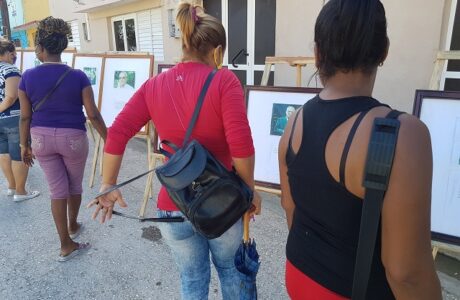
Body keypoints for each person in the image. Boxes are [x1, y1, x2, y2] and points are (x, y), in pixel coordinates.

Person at [88, 2, 261, 299]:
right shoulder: (224, 81)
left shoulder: (153, 85)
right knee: (232, 274)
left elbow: (117, 133)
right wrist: (249, 189)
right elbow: (241, 143)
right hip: (223, 201)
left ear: (184, 42)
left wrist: (108, 183)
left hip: (173, 204)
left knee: (192, 279)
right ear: (217, 51)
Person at [278, 0, 442, 299]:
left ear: (317, 53)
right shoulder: (401, 134)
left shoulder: (294, 122)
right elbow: (406, 273)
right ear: (383, 51)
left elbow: (291, 209)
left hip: (299, 275)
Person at [18, 17, 107, 262]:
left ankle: (65, 245)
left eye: (37, 47)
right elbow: (93, 114)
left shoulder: (27, 77)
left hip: (40, 138)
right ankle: (73, 225)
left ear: (43, 49)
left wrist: (24, 145)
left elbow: (26, 117)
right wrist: (110, 139)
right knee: (74, 185)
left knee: (57, 190)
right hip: (73, 138)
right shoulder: (78, 76)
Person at [0, 39, 40, 202]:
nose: (15, 57)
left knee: (3, 153)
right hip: (13, 118)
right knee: (18, 154)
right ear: (9, 53)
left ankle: (11, 186)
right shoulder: (10, 70)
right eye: (14, 54)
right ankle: (21, 191)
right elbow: (11, 97)